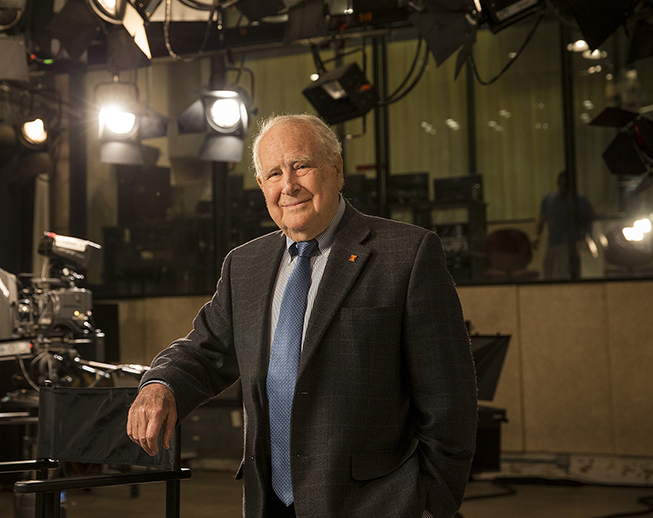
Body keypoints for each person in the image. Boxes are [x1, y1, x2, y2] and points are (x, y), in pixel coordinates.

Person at [127, 114, 477, 518]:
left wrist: (432, 505)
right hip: (270, 502)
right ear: (261, 186)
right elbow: (205, 351)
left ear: (337, 169)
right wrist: (160, 384)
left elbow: (450, 401)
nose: (288, 185)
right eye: (273, 173)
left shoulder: (407, 255)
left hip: (378, 505)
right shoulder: (245, 265)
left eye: (301, 166)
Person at [534, 171, 595, 279]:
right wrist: (536, 235)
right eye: (561, 185)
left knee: (562, 275)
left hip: (568, 245)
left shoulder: (580, 201)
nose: (563, 188)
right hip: (551, 243)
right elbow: (541, 219)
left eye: (566, 185)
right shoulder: (549, 200)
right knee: (548, 273)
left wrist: (584, 238)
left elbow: (588, 221)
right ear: (557, 183)